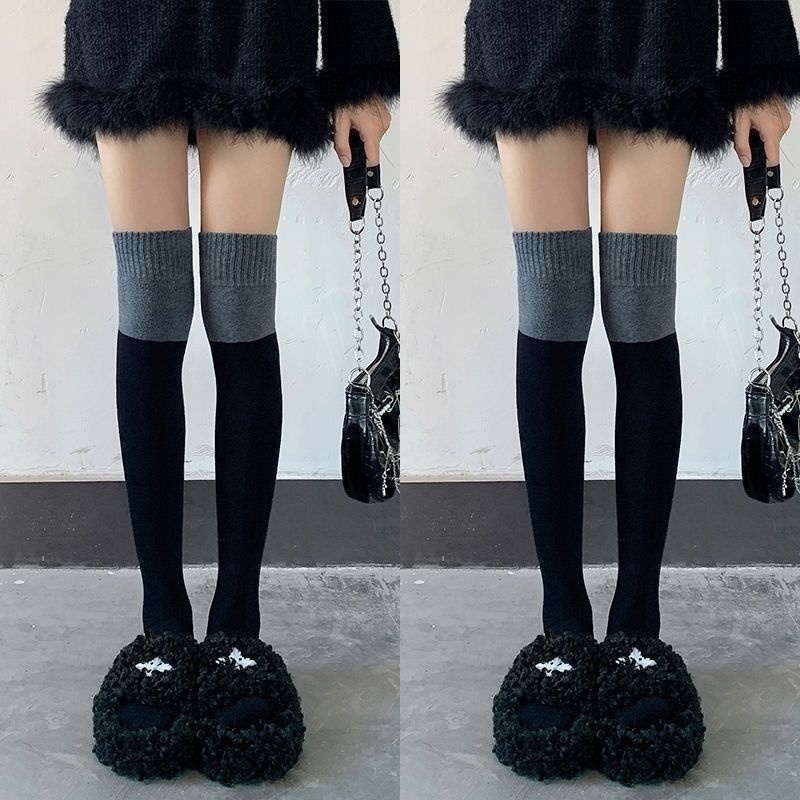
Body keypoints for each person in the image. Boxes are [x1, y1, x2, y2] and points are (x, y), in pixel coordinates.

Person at [41, 0, 399, 785]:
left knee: (240, 312)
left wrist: (360, 71)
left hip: (256, 29)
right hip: (128, 27)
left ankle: (238, 618)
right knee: (151, 310)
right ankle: (163, 623)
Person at [443, 0, 799, 786]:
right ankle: (563, 623)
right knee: (550, 310)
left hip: (655, 27)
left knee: (640, 312)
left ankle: (638, 618)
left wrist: (759, 67)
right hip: (527, 27)